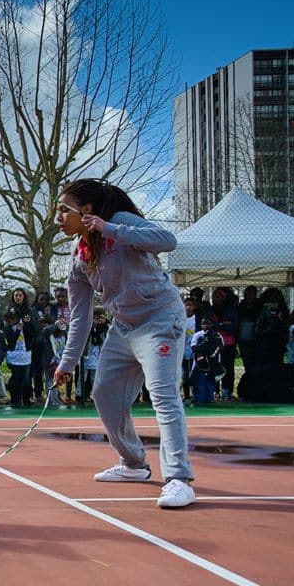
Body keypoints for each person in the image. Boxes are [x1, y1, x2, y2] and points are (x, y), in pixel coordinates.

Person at [53, 179, 195, 508]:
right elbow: (80, 317)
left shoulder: (121, 222)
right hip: (123, 327)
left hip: (160, 320)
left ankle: (179, 478)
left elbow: (168, 241)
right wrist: (67, 363)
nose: (58, 218)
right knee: (104, 393)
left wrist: (111, 229)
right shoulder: (78, 257)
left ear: (86, 211)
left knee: (163, 395)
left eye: (64, 210)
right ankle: (133, 464)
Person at [207, 287, 239, 400]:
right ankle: (215, 391)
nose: (214, 299)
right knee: (214, 366)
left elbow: (233, 325)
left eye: (217, 297)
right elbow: (208, 324)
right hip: (214, 342)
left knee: (228, 368)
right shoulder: (211, 310)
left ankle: (227, 391)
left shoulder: (230, 310)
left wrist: (219, 325)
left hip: (228, 343)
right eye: (213, 297)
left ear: (223, 298)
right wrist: (222, 324)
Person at [236, 285, 261, 372]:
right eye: (246, 294)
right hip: (244, 337)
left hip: (256, 337)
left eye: (250, 294)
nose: (248, 296)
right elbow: (239, 316)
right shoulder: (242, 304)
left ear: (255, 295)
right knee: (247, 361)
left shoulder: (259, 304)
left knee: (257, 362)